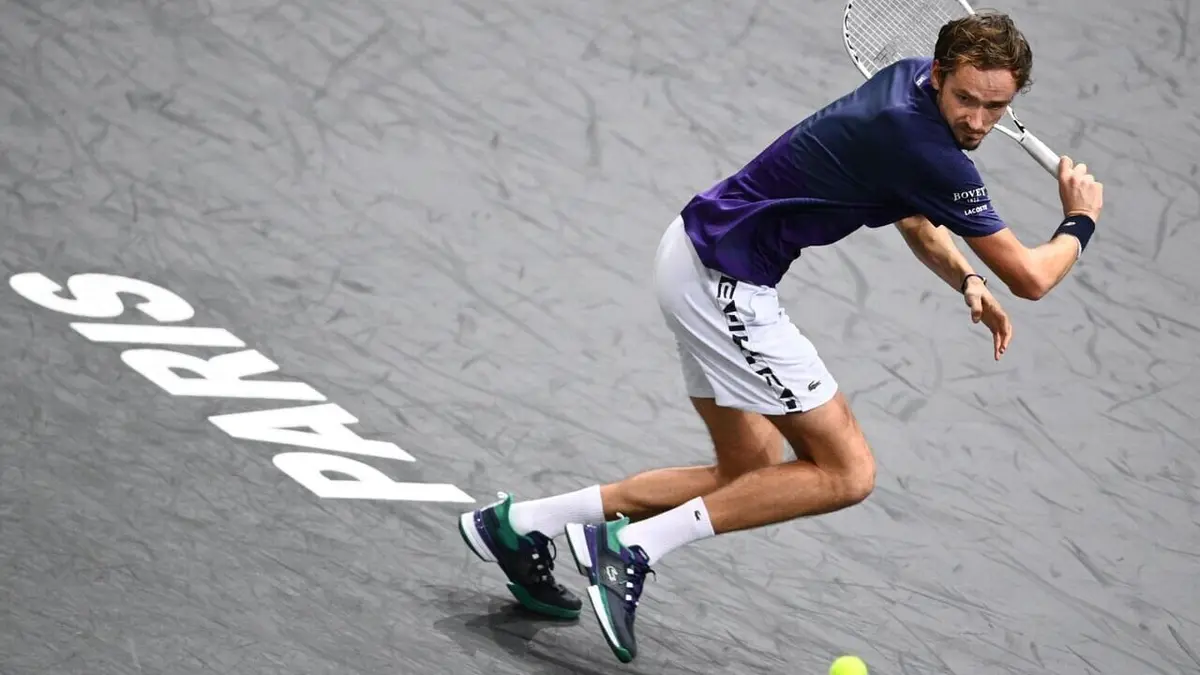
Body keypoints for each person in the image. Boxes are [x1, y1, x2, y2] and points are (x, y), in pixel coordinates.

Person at [456, 10, 1103, 664]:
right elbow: (1030, 277)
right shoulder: (929, 151)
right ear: (939, 74)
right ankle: (633, 546)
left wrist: (966, 277)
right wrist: (1079, 217)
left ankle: (521, 524)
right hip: (726, 283)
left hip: (688, 254)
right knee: (847, 472)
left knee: (748, 471)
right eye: (967, 99)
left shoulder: (908, 90)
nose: (979, 121)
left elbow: (912, 214)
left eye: (996, 107)